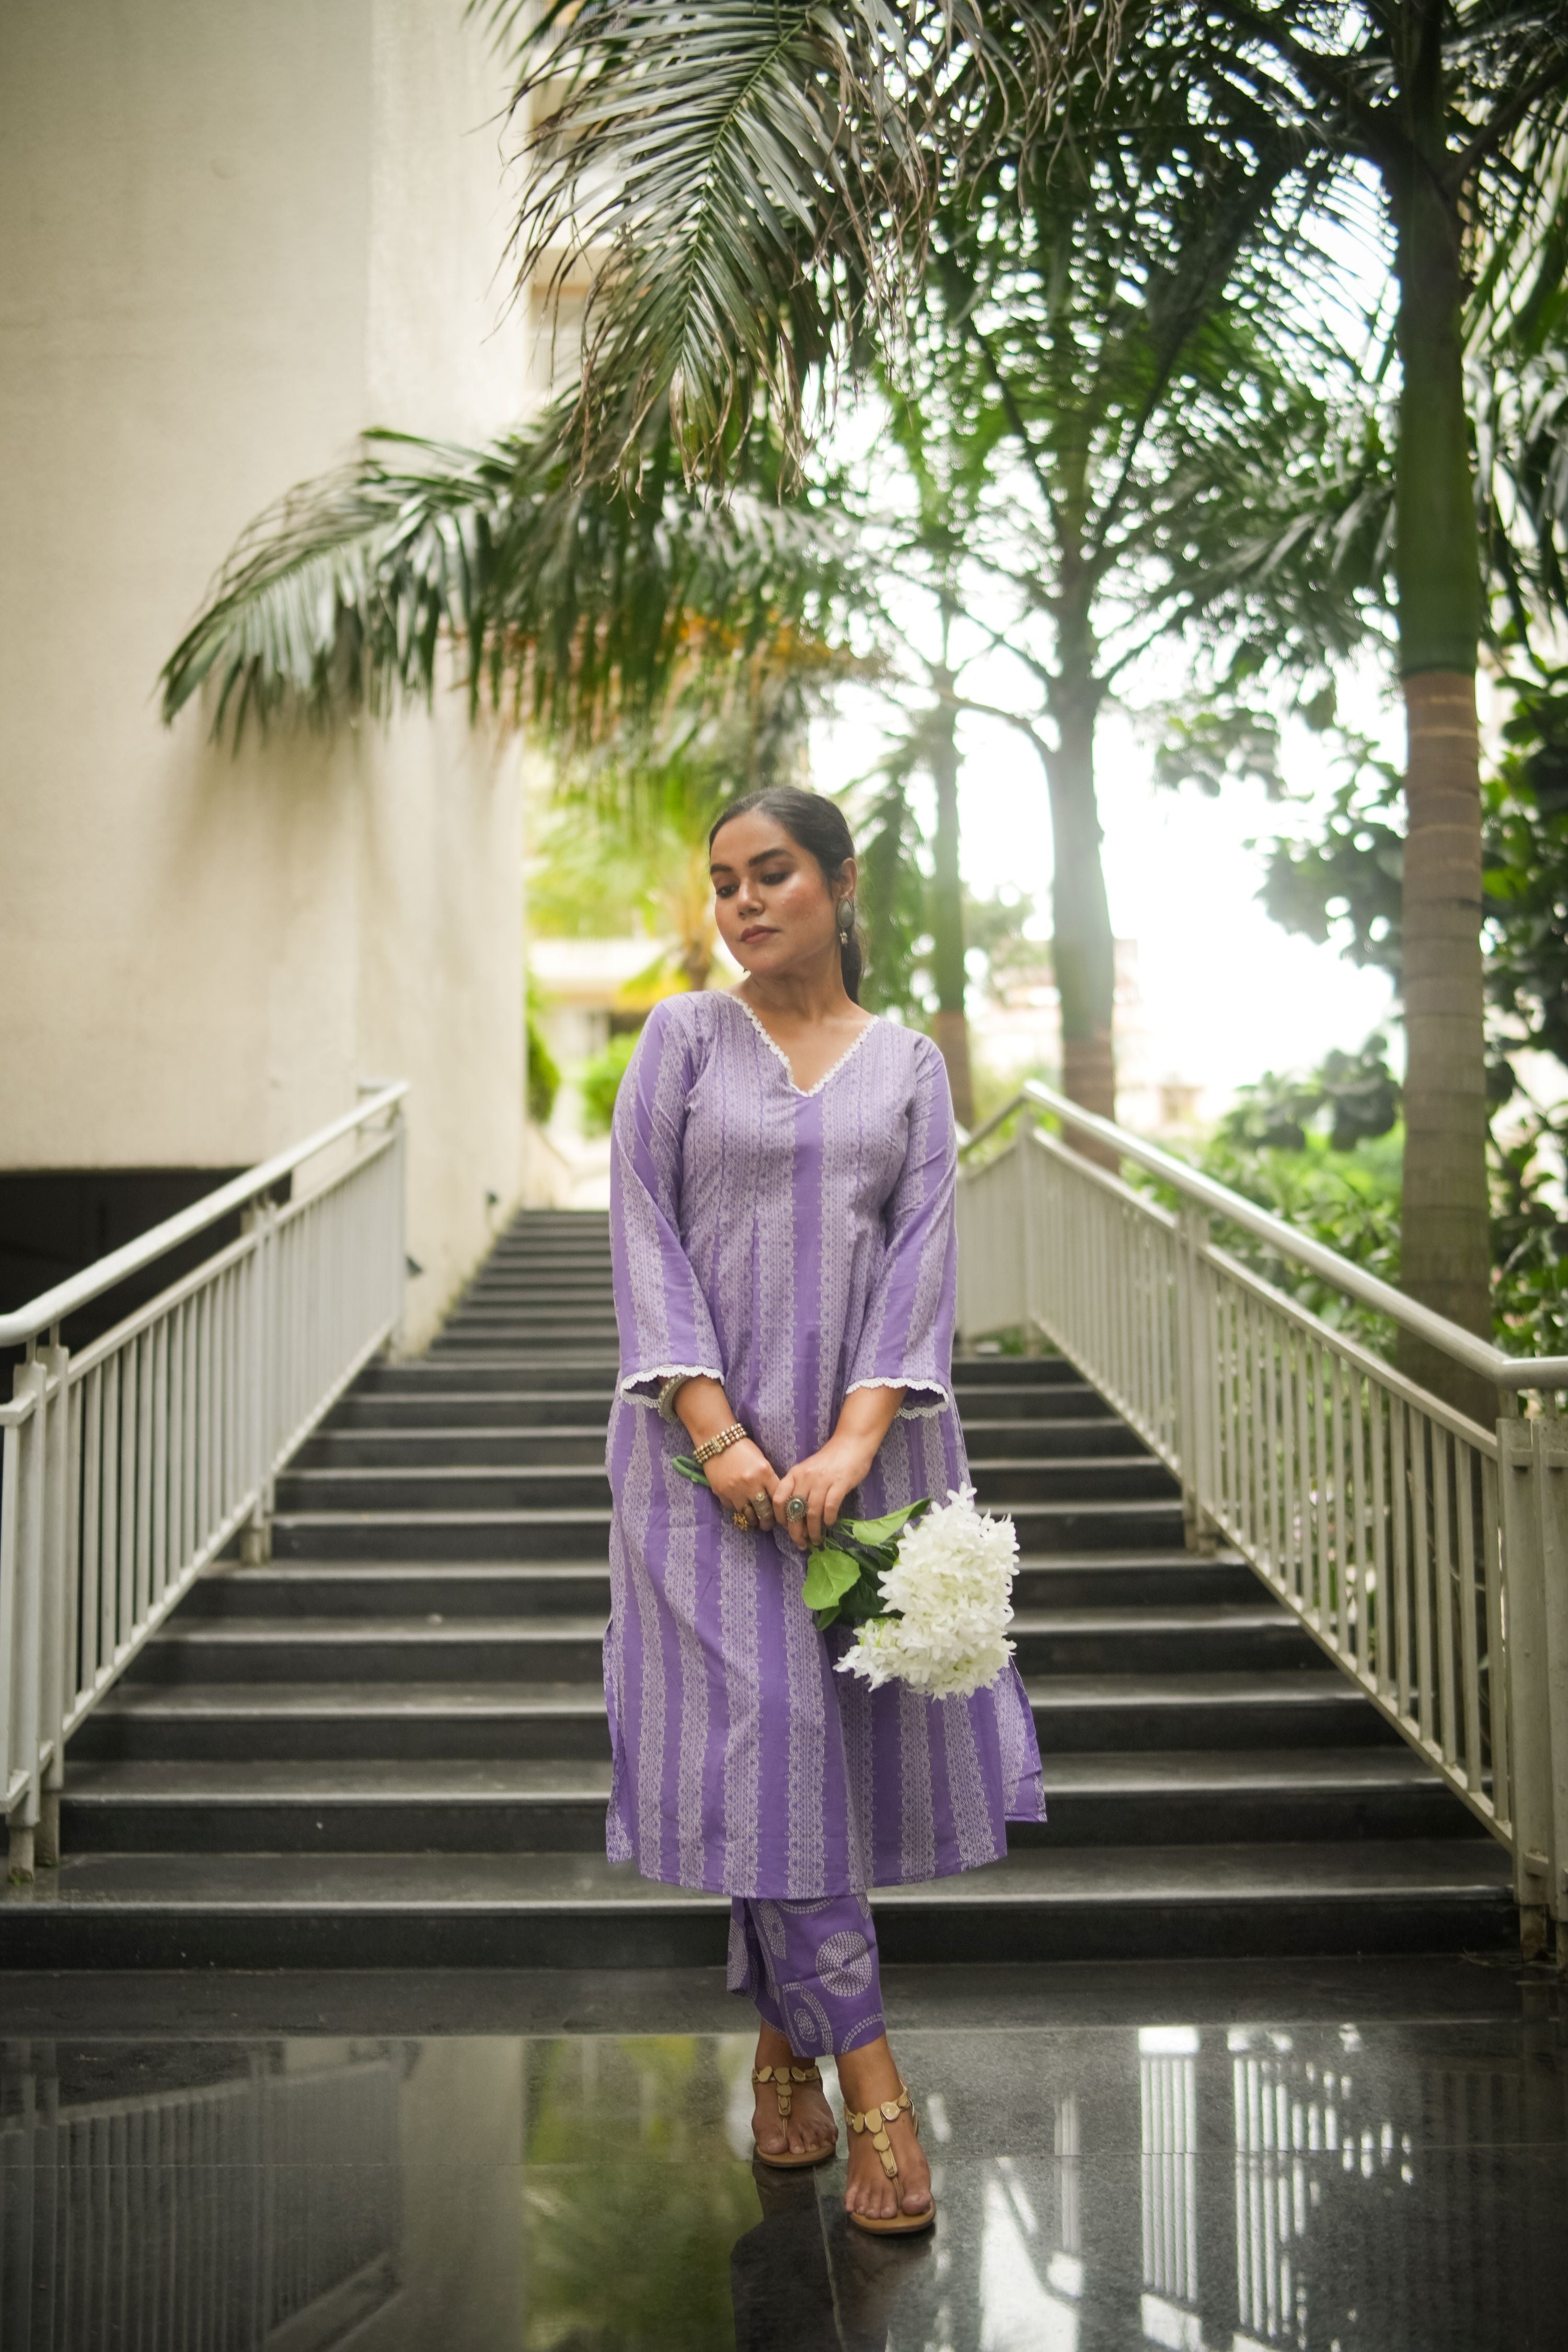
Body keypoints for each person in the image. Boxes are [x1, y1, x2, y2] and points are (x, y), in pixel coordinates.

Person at [606, 785, 1045, 2234]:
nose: (741, 901)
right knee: (775, 1751)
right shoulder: (679, 1040)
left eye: (772, 872)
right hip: (700, 1476)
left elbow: (922, 1259)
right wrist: (718, 1431)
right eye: (724, 879)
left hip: (865, 1469)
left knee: (801, 1770)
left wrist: (855, 1442)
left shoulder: (910, 1063)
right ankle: (876, 2095)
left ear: (840, 883)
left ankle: (781, 2052)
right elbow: (645, 1237)